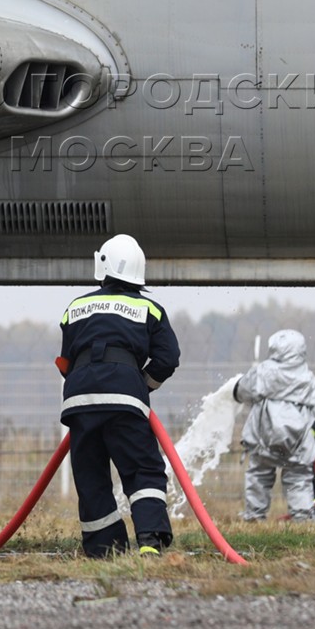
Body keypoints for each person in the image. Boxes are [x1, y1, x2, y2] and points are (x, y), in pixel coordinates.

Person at [58, 234, 180, 556]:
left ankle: (105, 550)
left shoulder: (75, 308)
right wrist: (142, 385)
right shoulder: (150, 309)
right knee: (142, 468)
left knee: (90, 476)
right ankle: (150, 542)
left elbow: (66, 361)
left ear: (103, 266)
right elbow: (168, 358)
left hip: (79, 400)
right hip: (126, 398)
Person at [235, 329, 315, 520]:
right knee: (299, 478)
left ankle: (255, 516)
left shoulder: (264, 372)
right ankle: (303, 517)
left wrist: (237, 389)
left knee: (259, 475)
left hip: (264, 438)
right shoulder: (308, 378)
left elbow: (242, 391)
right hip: (298, 443)